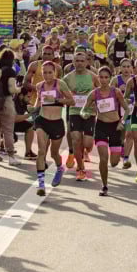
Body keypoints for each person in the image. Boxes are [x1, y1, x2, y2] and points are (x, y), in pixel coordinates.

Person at [80, 66, 125, 195]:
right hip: (101, 127)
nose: (104, 80)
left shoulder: (115, 92)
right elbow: (84, 108)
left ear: (110, 78)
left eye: (106, 77)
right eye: (101, 77)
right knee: (103, 159)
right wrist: (84, 114)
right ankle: (104, 186)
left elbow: (127, 109)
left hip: (115, 127)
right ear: (98, 78)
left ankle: (119, 146)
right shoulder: (94, 93)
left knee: (114, 163)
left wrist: (122, 122)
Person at [33, 60, 74, 196]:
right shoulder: (39, 86)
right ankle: (41, 185)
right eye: (44, 72)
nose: (47, 75)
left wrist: (57, 100)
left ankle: (59, 168)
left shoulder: (60, 84)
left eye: (50, 72)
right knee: (41, 151)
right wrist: (32, 109)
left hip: (56, 123)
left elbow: (71, 101)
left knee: (54, 153)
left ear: (54, 72)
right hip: (42, 121)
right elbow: (38, 103)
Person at [62, 51, 95, 180]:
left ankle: (85, 152)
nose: (80, 63)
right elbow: (61, 92)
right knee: (76, 139)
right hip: (74, 111)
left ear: (87, 62)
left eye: (82, 61)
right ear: (73, 62)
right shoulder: (68, 78)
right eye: (77, 61)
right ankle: (81, 169)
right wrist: (69, 96)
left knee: (87, 143)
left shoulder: (93, 76)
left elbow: (100, 90)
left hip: (89, 112)